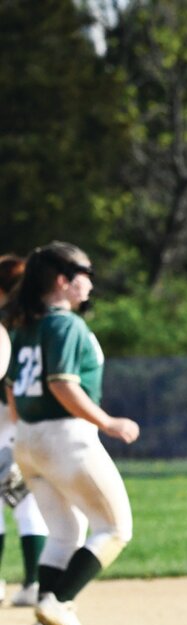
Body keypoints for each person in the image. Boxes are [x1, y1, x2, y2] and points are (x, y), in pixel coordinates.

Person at [4, 242, 138, 625]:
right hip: (66, 437)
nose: (90, 282)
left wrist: (22, 433)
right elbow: (62, 383)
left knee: (64, 531)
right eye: (85, 273)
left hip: (28, 438)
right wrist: (107, 420)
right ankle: (58, 602)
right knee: (115, 528)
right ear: (63, 281)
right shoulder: (64, 324)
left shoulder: (24, 325)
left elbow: (11, 390)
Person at [0, 254, 47, 606]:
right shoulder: (39, 321)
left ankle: (30, 583)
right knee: (27, 502)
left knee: (21, 502)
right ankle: (33, 583)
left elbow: (10, 383)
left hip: (10, 421)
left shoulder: (8, 323)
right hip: (28, 422)